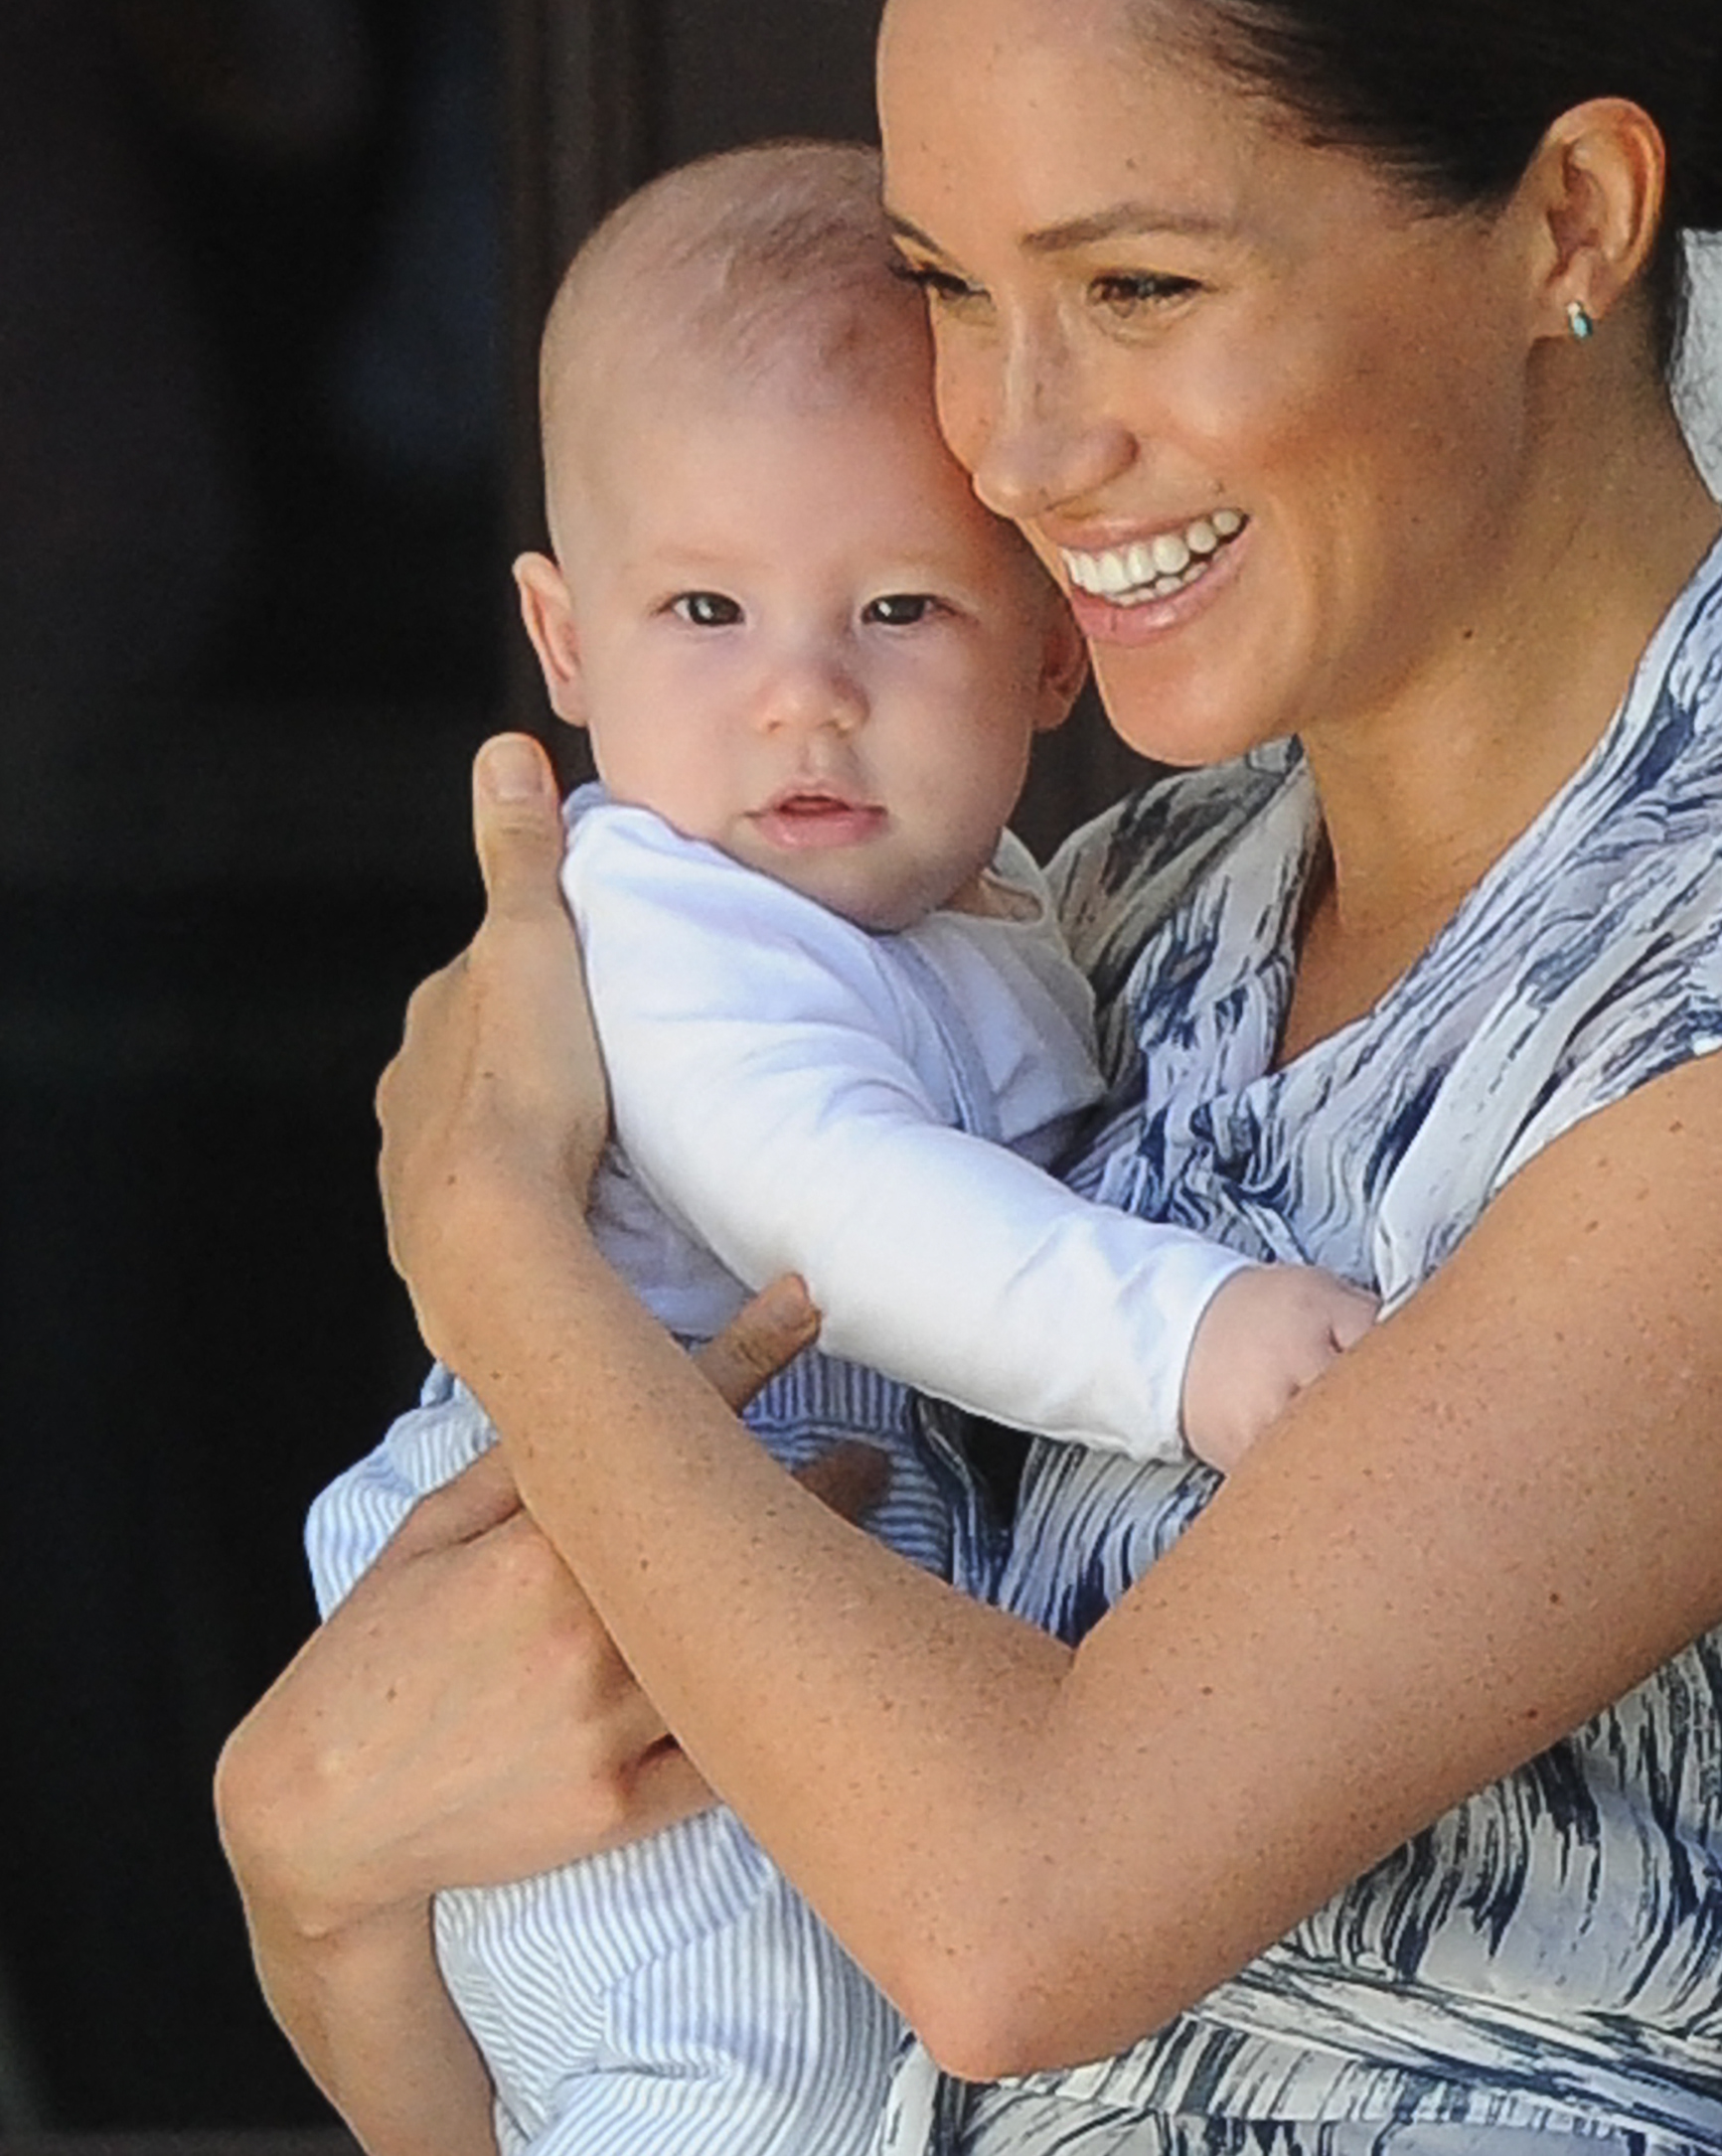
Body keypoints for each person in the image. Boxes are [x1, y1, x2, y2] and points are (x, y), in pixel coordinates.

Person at [217, 0, 1722, 2150]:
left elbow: (1016, 1915)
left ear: (1567, 216)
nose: (1010, 446)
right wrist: (314, 1877)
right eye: (946, 281)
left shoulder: (1667, 999)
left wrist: (491, 1245)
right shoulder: (1108, 919)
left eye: (1136, 289)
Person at [304, 137, 1372, 2156]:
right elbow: (855, 1216)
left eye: (894, 606)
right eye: (703, 606)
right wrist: (1192, 1338)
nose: (801, 697)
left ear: (1049, 648)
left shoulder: (1012, 913)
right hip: (577, 1606)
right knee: (743, 2072)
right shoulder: (665, 927)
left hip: (782, 1565)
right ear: (565, 642)